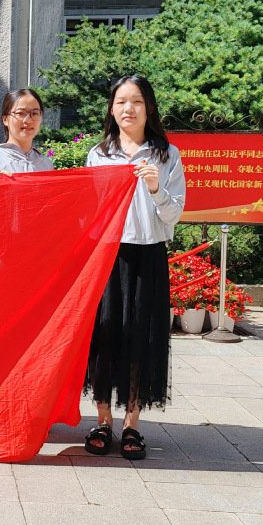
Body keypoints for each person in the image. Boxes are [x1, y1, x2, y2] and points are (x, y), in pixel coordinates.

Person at [83, 75, 185, 460]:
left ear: (149, 107)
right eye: (121, 101)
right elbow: (88, 210)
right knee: (104, 337)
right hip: (107, 257)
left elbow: (174, 215)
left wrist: (157, 189)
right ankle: (102, 420)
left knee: (141, 338)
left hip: (148, 257)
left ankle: (132, 425)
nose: (129, 108)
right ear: (112, 109)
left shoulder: (167, 155)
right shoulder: (99, 154)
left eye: (137, 101)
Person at [0, 89, 53, 177]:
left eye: (34, 113)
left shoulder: (46, 164)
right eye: (20, 113)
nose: (28, 120)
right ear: (5, 119)